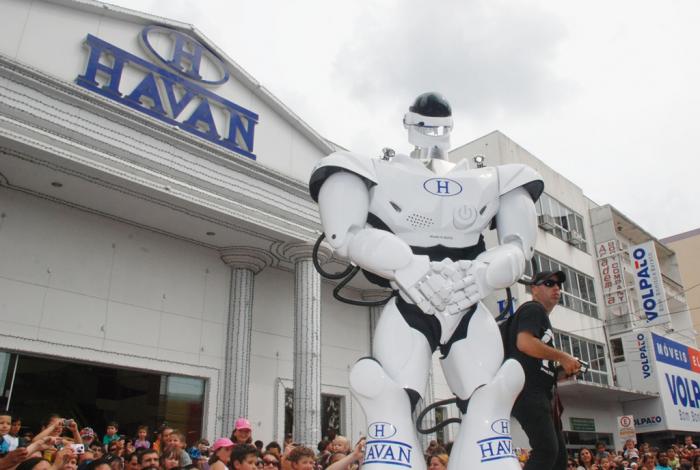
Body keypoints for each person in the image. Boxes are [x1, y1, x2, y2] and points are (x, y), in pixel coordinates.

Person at [310, 92, 542, 469]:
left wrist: (485, 274)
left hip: (467, 297)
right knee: (394, 406)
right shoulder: (370, 170)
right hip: (411, 297)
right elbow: (343, 234)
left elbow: (520, 247)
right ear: (408, 124)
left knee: (487, 403)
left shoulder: (494, 179)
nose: (433, 130)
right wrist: (405, 265)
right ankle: (392, 431)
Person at [507, 270, 582, 470]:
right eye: (549, 283)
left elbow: (537, 364)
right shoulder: (533, 309)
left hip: (540, 393)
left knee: (558, 458)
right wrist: (563, 356)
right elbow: (524, 343)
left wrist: (561, 371)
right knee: (547, 450)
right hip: (528, 392)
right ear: (534, 288)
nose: (556, 288)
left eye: (559, 285)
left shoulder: (541, 318)